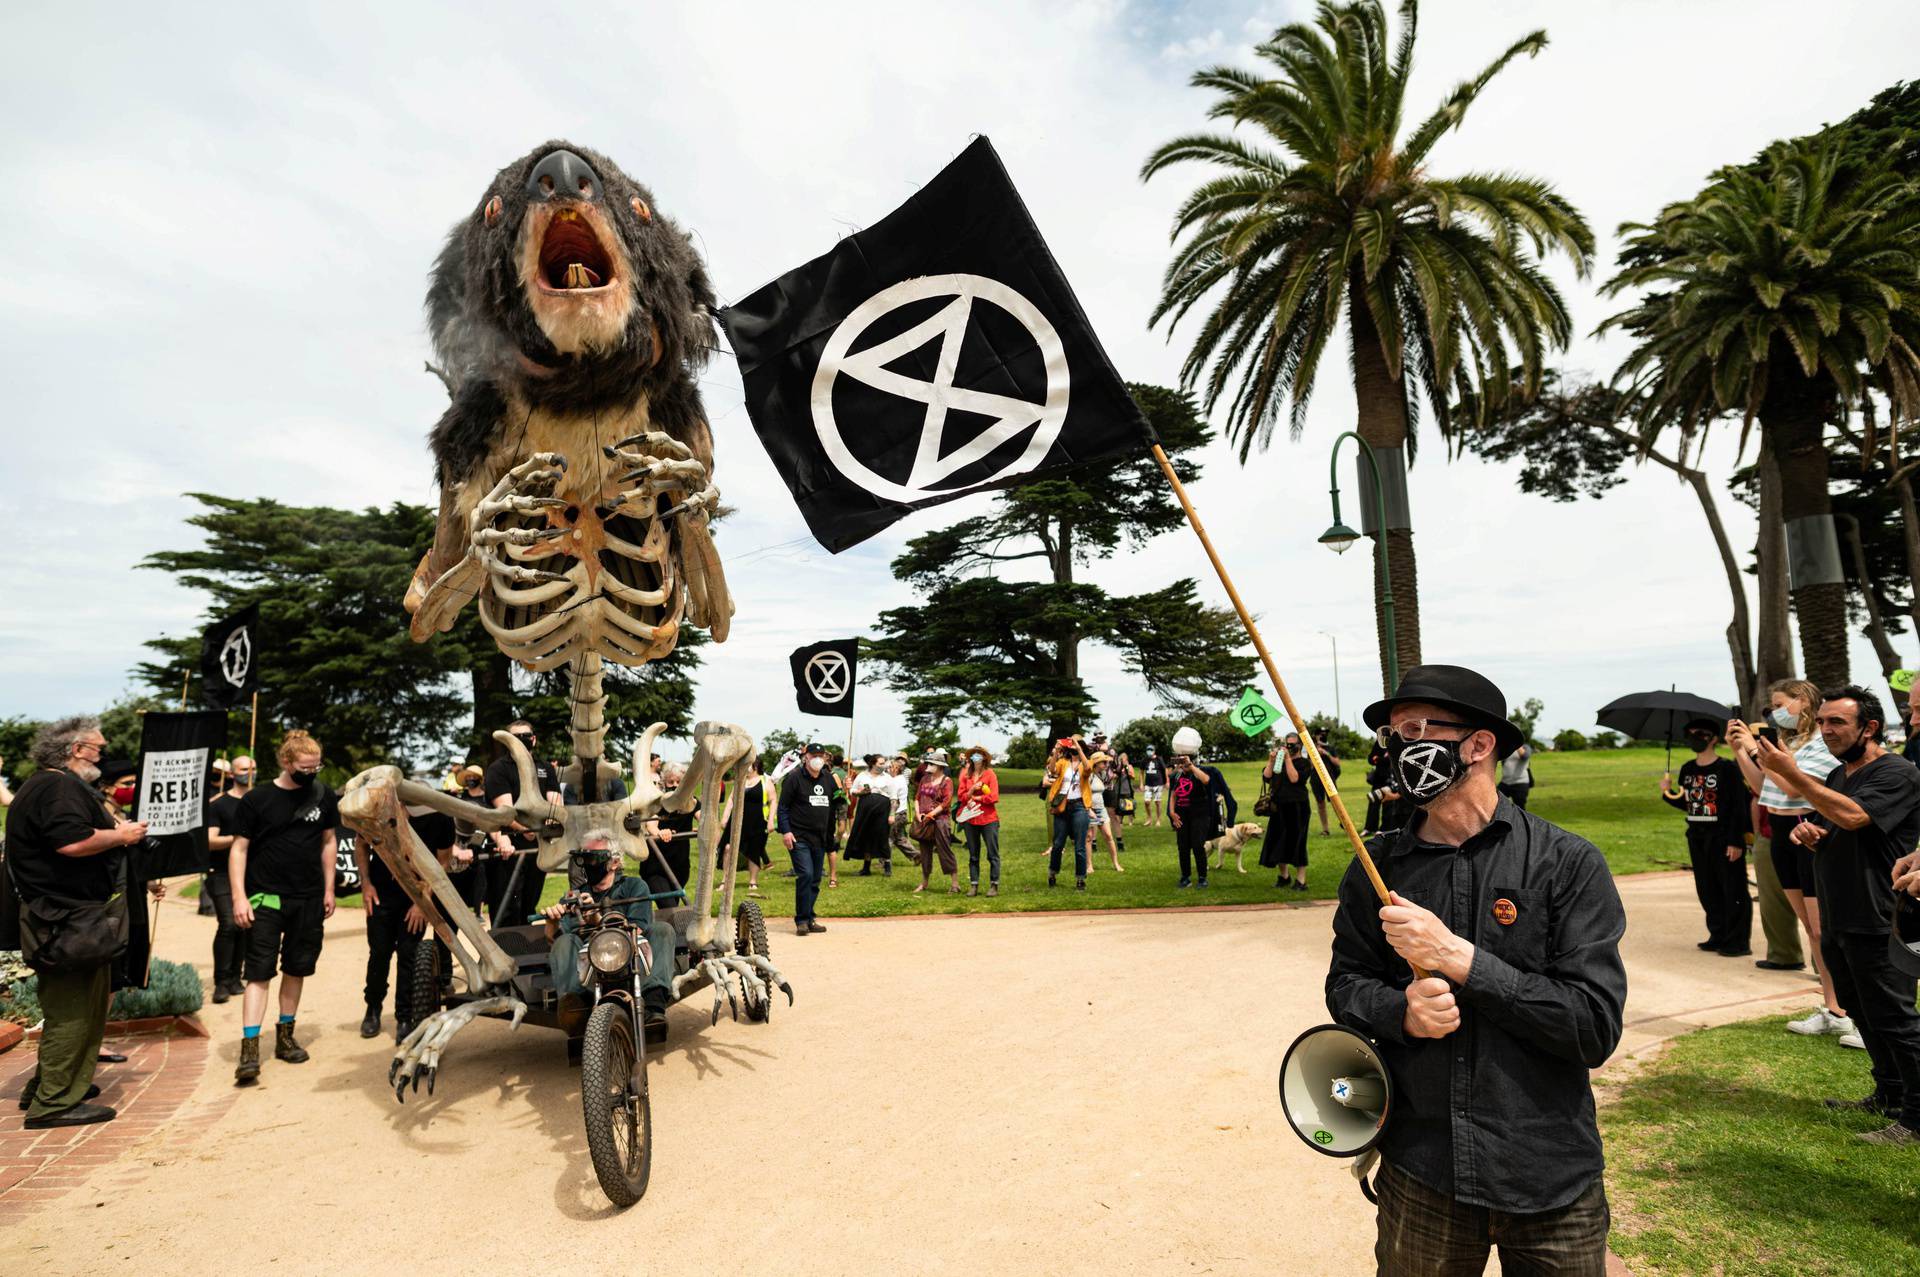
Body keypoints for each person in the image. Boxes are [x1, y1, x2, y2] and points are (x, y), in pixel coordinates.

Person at [1328, 665, 1626, 1272]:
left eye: (1414, 731)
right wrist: (1402, 1014)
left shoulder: (1567, 863)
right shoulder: (1376, 866)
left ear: (1479, 744)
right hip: (1423, 1169)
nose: (1399, 749)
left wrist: (1460, 960)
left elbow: (1592, 1027)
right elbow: (1346, 985)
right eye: (1393, 736)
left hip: (1549, 1175)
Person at [1751, 685, 1920, 1144]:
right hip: (1840, 915)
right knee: (1862, 1010)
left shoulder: (1898, 773)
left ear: (1869, 727)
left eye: (1837, 723)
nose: (1826, 731)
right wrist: (1811, 832)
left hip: (1879, 917)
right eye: (1822, 722)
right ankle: (1888, 1094)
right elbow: (1835, 822)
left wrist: (1793, 775)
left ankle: (1917, 1119)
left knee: (1896, 1018)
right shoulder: (1843, 775)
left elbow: (1855, 818)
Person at [7, 718, 153, 1129]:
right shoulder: (58, 787)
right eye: (98, 749)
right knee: (74, 1012)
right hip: (64, 920)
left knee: (75, 1009)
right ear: (76, 750)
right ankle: (53, 1103)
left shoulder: (44, 785)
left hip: (61, 917)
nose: (102, 757)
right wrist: (121, 836)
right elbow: (70, 842)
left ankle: (50, 1086)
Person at [1731, 680, 1850, 1034]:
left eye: (1780, 704)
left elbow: (1793, 786)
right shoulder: (1791, 744)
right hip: (1782, 835)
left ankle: (1846, 1008)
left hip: (1808, 829)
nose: (1774, 712)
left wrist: (1758, 751)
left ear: (1802, 702)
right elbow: (1762, 787)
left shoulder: (1819, 745)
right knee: (1812, 931)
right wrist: (1741, 751)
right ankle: (1833, 1009)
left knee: (1823, 928)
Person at [228, 730, 337, 1086]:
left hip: (307, 897)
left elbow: (328, 841)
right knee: (258, 973)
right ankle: (249, 1048)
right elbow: (239, 849)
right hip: (266, 898)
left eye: (316, 766)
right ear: (287, 762)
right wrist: (239, 897)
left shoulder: (323, 796)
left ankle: (286, 1035)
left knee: (297, 967)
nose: (311, 772)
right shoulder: (257, 799)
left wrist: (330, 888)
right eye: (305, 767)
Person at [544, 830, 677, 1043]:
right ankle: (576, 1010)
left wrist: (597, 919)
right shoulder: (574, 896)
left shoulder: (634, 887)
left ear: (614, 862)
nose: (589, 863)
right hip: (590, 968)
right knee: (563, 942)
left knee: (662, 930)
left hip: (629, 960)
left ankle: (653, 1008)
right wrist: (551, 923)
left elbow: (639, 930)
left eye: (594, 858)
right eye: (584, 858)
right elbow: (558, 939)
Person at [355, 797, 457, 1040]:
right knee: (379, 953)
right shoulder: (376, 816)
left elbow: (442, 863)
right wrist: (366, 884)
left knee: (409, 955)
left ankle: (405, 1016)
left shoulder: (439, 819)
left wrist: (422, 901)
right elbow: (361, 846)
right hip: (381, 894)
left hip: (416, 896)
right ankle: (373, 1007)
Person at [1659, 719, 1752, 956]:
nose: (1694, 738)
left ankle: (1737, 941)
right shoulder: (1688, 769)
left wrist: (1735, 841)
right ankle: (1717, 934)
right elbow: (1692, 804)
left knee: (1732, 888)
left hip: (1723, 837)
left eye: (1699, 734)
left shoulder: (1728, 769)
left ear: (1712, 738)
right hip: (1698, 837)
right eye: (1689, 733)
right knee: (1707, 888)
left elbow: (1738, 807)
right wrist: (1667, 792)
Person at [482, 719, 562, 931]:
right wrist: (525, 829)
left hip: (537, 846)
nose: (522, 741)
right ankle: (505, 952)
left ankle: (525, 954)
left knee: (529, 903)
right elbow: (505, 810)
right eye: (516, 738)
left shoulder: (545, 768)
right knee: (507, 907)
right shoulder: (498, 769)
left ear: (534, 740)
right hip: (509, 847)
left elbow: (555, 803)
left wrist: (546, 825)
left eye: (526, 737)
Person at [204, 754, 257, 1004]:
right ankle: (221, 981)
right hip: (221, 874)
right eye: (245, 768)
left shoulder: (259, 801)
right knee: (228, 923)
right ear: (233, 773)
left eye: (253, 768)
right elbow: (209, 840)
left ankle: (237, 977)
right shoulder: (219, 805)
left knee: (246, 924)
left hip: (253, 874)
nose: (250, 772)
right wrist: (240, 838)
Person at [776, 742, 839, 936]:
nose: (817, 758)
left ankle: (810, 917)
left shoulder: (828, 778)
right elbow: (783, 807)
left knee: (816, 879)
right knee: (806, 875)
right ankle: (802, 920)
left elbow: (836, 803)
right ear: (806, 757)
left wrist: (845, 790)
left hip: (820, 837)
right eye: (814, 755)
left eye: (821, 755)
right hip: (799, 836)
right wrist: (786, 831)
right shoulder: (793, 779)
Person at [1168, 727, 1235, 890]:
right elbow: (1173, 794)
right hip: (1182, 814)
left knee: (1198, 846)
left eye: (1183, 760)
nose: (1181, 762)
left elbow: (1207, 781)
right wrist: (1171, 812)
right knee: (1182, 847)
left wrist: (1191, 767)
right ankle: (1185, 877)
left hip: (1200, 814)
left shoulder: (1203, 771)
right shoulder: (1176, 775)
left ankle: (1202, 878)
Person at [1261, 733, 1312, 891]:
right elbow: (1266, 776)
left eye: (1291, 745)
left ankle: (1301, 880)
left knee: (1297, 842)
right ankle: (1284, 876)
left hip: (1298, 807)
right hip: (1278, 807)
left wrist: (1288, 759)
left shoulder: (1304, 763)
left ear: (1299, 746)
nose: (1288, 748)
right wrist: (1272, 760)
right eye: (1286, 744)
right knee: (1277, 841)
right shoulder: (1278, 762)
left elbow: (1295, 778)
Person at [1044, 737, 1094, 890]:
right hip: (1062, 807)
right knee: (1058, 844)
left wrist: (1079, 749)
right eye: (1071, 746)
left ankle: (1080, 879)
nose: (1073, 749)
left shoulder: (1086, 761)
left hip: (1079, 805)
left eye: (1076, 746)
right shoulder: (1063, 762)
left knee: (1080, 845)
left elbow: (1088, 769)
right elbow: (1052, 770)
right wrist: (1056, 751)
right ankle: (1052, 872)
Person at [644, 761, 699, 894]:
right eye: (671, 782)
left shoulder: (693, 803)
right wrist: (660, 832)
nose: (675, 785)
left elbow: (704, 818)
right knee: (670, 906)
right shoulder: (659, 803)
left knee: (672, 908)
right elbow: (651, 824)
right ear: (664, 783)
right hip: (657, 867)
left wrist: (703, 827)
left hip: (681, 866)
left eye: (678, 782)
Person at [911, 749, 959, 894]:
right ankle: (924, 883)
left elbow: (946, 802)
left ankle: (955, 884)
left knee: (945, 850)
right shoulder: (925, 779)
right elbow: (917, 798)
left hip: (940, 821)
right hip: (924, 820)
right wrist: (918, 813)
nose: (929, 765)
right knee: (925, 852)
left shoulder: (947, 781)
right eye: (928, 763)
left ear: (939, 766)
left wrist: (931, 814)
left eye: (932, 763)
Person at [955, 746, 1001, 896]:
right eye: (974, 755)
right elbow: (961, 797)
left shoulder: (990, 775)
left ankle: (994, 885)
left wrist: (976, 797)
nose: (976, 757)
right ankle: (973, 885)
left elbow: (994, 797)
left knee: (992, 853)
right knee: (973, 854)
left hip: (988, 819)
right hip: (970, 819)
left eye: (979, 755)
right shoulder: (965, 775)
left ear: (984, 758)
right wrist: (972, 789)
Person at [722, 756, 772, 895]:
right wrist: (725, 817)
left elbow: (773, 800)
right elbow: (731, 799)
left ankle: (753, 881)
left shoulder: (765, 781)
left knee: (754, 851)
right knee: (728, 848)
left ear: (755, 765)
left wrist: (771, 821)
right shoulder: (740, 781)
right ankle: (725, 881)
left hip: (758, 821)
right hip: (737, 820)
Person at [844, 755, 895, 878]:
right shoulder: (862, 776)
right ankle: (866, 867)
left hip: (882, 810)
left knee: (882, 835)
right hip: (865, 809)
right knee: (866, 836)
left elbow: (893, 798)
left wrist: (892, 814)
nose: (884, 765)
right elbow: (852, 791)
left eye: (884, 763)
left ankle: (887, 864)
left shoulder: (887, 778)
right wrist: (860, 792)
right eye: (881, 763)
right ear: (873, 764)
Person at [1086, 753, 1125, 873]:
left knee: (1108, 836)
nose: (1106, 764)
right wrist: (1088, 809)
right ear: (1096, 763)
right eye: (1103, 762)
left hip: (1101, 809)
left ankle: (1116, 863)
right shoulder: (1088, 776)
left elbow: (1115, 773)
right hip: (1090, 810)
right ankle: (1089, 866)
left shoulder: (1102, 774)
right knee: (1089, 837)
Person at [1309, 727, 1342, 836]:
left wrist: (1326, 753)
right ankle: (1325, 829)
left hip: (1329, 778)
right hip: (1316, 779)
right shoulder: (1311, 749)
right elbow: (1310, 765)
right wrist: (1316, 754)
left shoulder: (1331, 748)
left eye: (1324, 733)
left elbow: (1337, 763)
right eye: (1320, 733)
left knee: (1335, 802)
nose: (1322, 735)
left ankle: (1344, 823)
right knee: (1320, 803)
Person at [1498, 744, 1533, 809]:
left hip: (1520, 783)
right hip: (1505, 782)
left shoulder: (1525, 747)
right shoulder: (1507, 748)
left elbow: (1525, 756)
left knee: (1520, 808)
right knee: (1496, 802)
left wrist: (1517, 745)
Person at [1140, 744, 1167, 827]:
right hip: (1148, 784)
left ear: (1154, 751)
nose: (1149, 751)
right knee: (1147, 802)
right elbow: (1141, 772)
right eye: (1148, 749)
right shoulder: (1145, 760)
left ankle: (1158, 820)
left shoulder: (1159, 759)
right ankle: (1149, 819)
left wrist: (1167, 781)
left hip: (1158, 784)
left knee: (1157, 802)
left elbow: (1165, 769)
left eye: (1151, 750)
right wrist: (1141, 784)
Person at [1112, 750, 1137, 829]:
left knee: (1129, 804)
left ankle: (1130, 822)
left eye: (1124, 759)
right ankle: (1120, 822)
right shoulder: (1118, 767)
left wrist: (1128, 771)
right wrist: (1118, 771)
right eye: (1122, 759)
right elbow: (1114, 777)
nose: (1123, 760)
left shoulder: (1129, 766)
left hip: (1127, 788)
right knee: (1119, 806)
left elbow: (1133, 777)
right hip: (1118, 789)